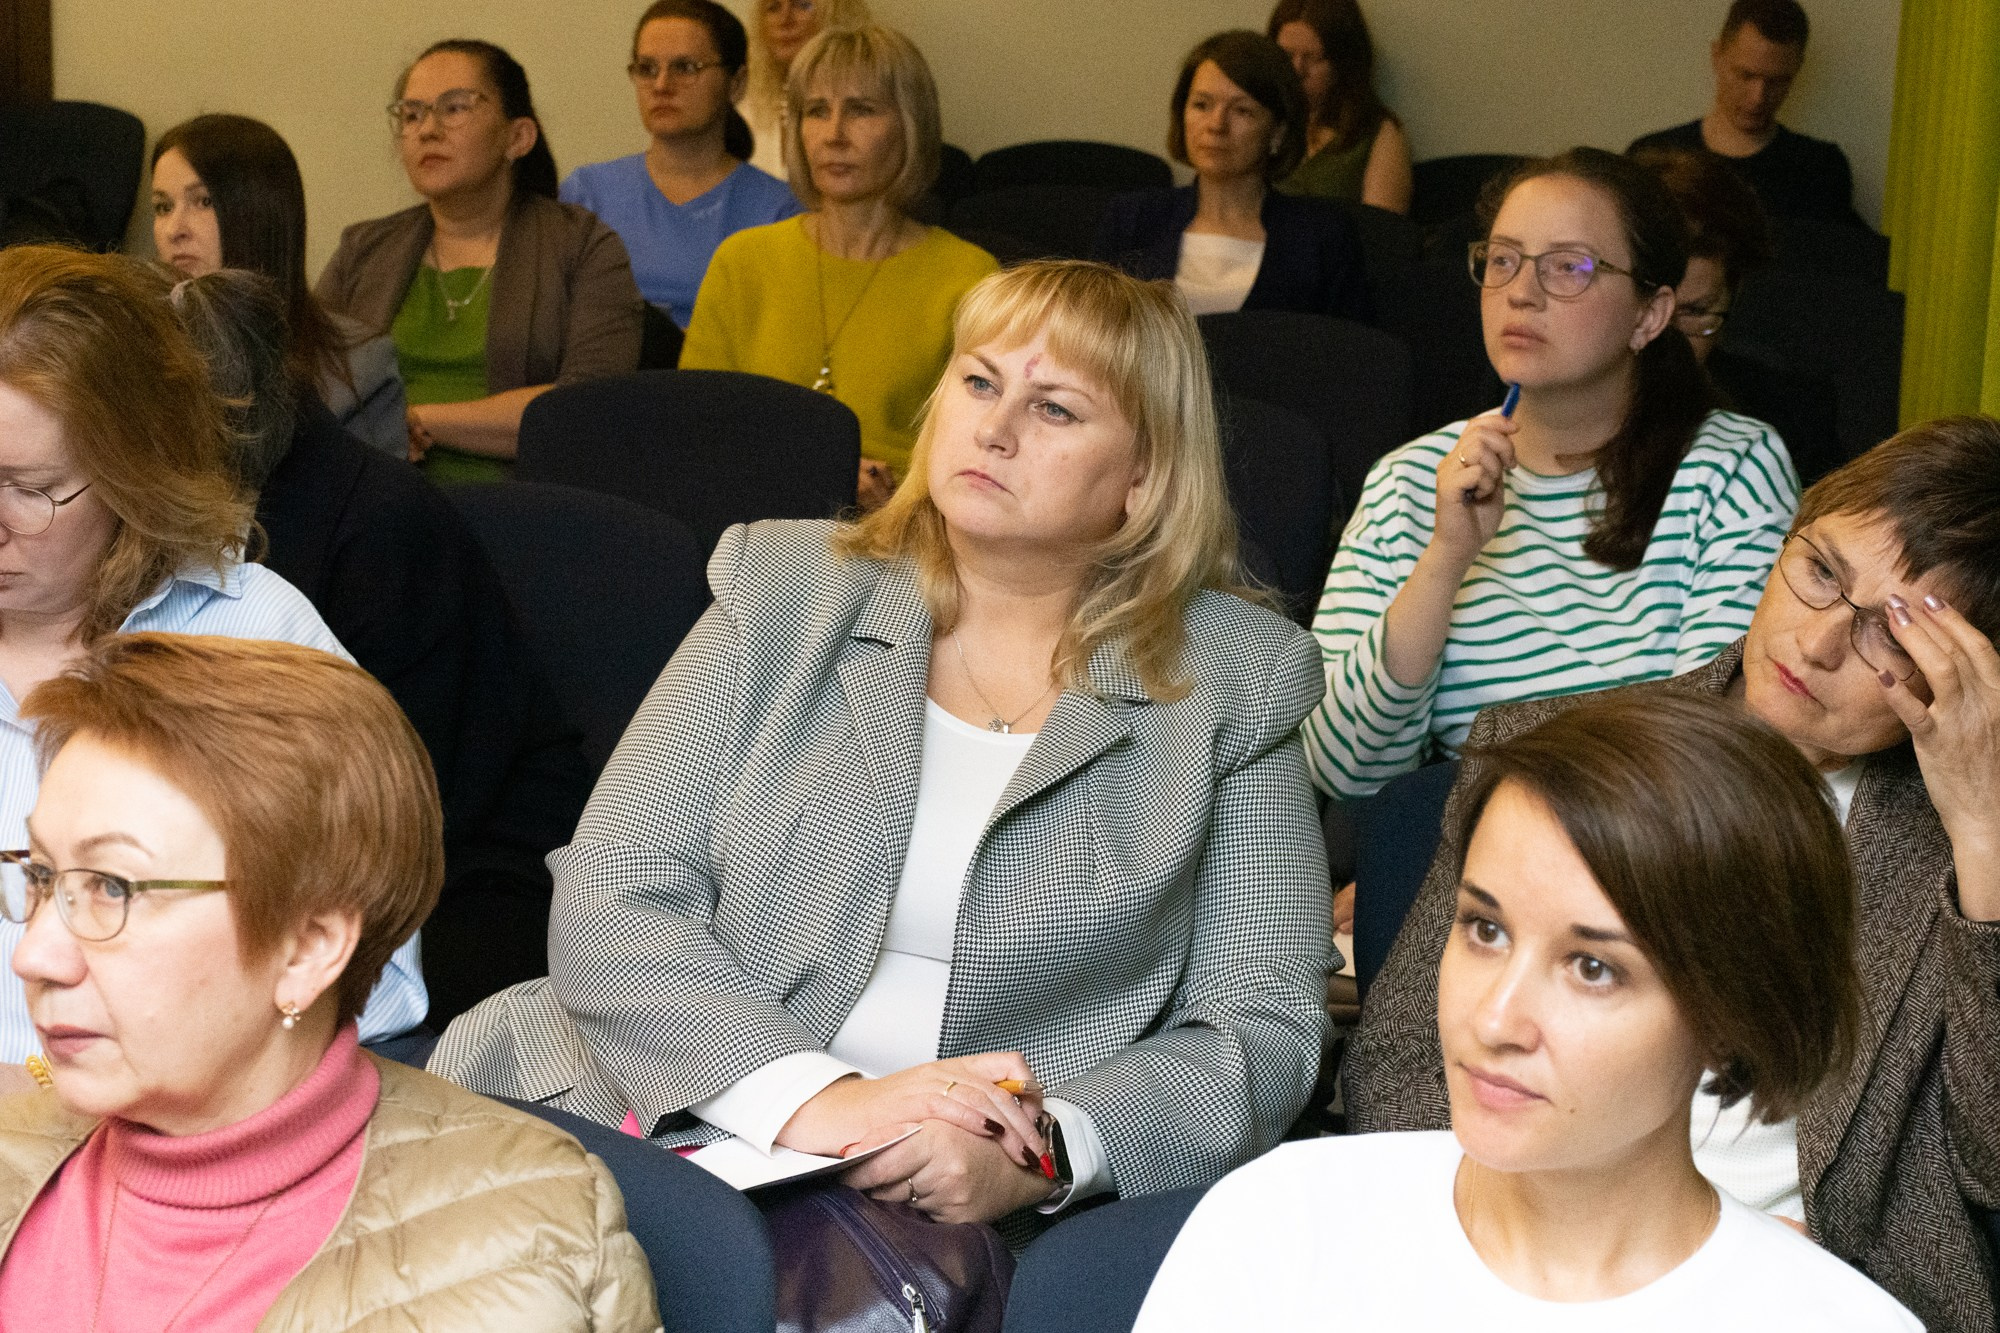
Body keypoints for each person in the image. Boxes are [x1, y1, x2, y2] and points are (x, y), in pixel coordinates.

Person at [433, 260, 1333, 1236]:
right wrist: (817, 1101)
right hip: (648, 1103)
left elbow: (1258, 1026)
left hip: (962, 1207)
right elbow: (614, 892)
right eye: (978, 382)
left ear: (1142, 477)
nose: (995, 427)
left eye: (1056, 410)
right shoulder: (780, 587)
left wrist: (1037, 1151)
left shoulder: (1237, 681)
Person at [1345, 416, 2000, 1333]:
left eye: (1889, 637)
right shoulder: (1553, 748)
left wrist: (1983, 833)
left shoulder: (1970, 848)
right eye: (1819, 573)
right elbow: (1404, 1065)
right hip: (1523, 1252)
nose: (1816, 645)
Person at [1137, 693, 1920, 1330]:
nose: (1494, 1018)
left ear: (1729, 1014)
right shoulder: (1281, 1223)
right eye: (1484, 928)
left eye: (1592, 968)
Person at [0, 633, 660, 1330]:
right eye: (42, 875)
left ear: (308, 950)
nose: (34, 954)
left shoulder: (528, 1251)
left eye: (111, 886)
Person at [0, 244, 425, 1083]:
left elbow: (377, 983)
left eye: (29, 487)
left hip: (181, 1138)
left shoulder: (253, 635)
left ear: (134, 476)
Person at [1302, 147, 1797, 799]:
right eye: (1502, 260)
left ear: (1650, 315)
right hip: (1456, 853)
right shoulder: (1411, 477)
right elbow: (1340, 769)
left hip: (1651, 861)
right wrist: (1445, 560)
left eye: (1570, 267)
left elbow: (1711, 750)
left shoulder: (1732, 467)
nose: (1521, 292)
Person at [165, 268, 591, 1025]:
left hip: (465, 871)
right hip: (299, 850)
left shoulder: (375, 527)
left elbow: (403, 799)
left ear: (227, 415)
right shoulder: (232, 508)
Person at [679, 24, 996, 508]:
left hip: (903, 535)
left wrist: (889, 492)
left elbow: (983, 453)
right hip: (749, 523)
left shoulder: (970, 278)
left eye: (862, 110)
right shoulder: (742, 260)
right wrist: (820, 471)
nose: (834, 135)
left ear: (911, 124)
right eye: (816, 111)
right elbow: (697, 429)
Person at [317, 38, 644, 482]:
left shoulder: (583, 245)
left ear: (518, 137)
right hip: (379, 502)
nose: (427, 130)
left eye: (454, 108)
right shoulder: (365, 249)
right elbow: (310, 383)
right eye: (411, 114)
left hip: (528, 507)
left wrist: (413, 421)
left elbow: (585, 410)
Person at [149, 113, 410, 458]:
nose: (173, 229)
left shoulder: (360, 364)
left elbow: (374, 508)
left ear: (260, 211)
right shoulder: (134, 346)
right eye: (163, 207)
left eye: (203, 202)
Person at [1094, 30, 1370, 321]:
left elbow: (1351, 355)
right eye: (1201, 105)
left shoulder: (1322, 237)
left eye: (1242, 111)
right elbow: (1089, 335)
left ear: (1278, 131)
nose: (1216, 125)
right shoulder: (1133, 219)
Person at [561, 1, 802, 330]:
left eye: (686, 68)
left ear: (736, 83)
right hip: (604, 377)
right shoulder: (587, 194)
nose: (661, 86)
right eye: (646, 69)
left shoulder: (780, 211)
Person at [1632, 142, 1843, 486]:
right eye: (1651, 308)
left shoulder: (1792, 421)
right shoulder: (1536, 396)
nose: (1665, 336)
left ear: (1734, 294)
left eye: (1695, 311)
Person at [1628, 0, 1861, 226]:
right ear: (1717, 56)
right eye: (1746, 76)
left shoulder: (1820, 169)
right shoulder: (1654, 157)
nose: (1758, 97)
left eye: (1777, 81)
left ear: (1797, 68)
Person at [1266, 0, 1411, 212]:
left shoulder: (1379, 133)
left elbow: (1381, 234)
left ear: (1342, 62)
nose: (1297, 70)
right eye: (1286, 56)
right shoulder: (1262, 119)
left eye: (1313, 58)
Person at [741, 0, 872, 180]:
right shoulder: (743, 108)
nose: (785, 19)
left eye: (803, 5)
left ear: (836, 17)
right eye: (774, 7)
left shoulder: (868, 98)